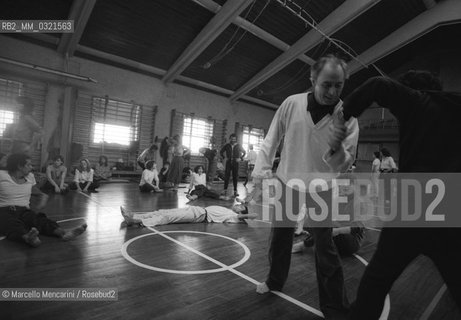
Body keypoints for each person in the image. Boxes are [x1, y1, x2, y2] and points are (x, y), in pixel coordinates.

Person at [339, 70, 461, 319]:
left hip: (413, 205)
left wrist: (343, 116)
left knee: (377, 279)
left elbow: (378, 84)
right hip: (450, 208)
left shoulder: (417, 100)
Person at [252, 55, 359, 319]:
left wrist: (337, 148)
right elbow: (272, 138)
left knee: (326, 248)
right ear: (312, 80)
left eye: (339, 85)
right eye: (327, 85)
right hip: (288, 181)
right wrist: (260, 174)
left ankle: (335, 306)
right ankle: (275, 280)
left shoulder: (348, 117)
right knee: (280, 238)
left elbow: (346, 163)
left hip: (322, 187)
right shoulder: (292, 103)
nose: (333, 92)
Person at [0, 153, 87, 247]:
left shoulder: (30, 177)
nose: (31, 167)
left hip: (23, 210)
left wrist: (42, 196)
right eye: (28, 165)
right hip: (4, 210)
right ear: (19, 166)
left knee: (39, 220)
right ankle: (27, 237)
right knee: (11, 223)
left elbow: (35, 191)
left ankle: (63, 233)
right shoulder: (2, 175)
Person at [120, 201, 257, 227]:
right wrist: (242, 203)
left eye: (240, 207)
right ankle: (134, 215)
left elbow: (248, 216)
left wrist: (248, 215)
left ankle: (137, 222)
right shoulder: (229, 210)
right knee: (163, 212)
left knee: (168, 218)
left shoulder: (232, 217)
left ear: (240, 213)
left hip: (199, 216)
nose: (238, 206)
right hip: (195, 210)